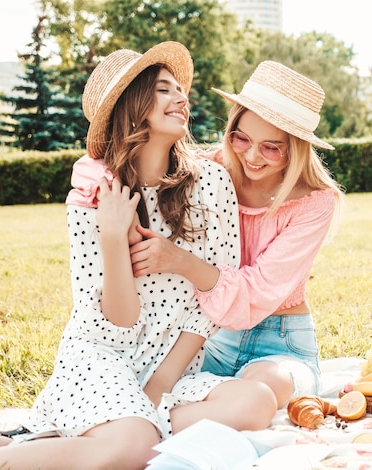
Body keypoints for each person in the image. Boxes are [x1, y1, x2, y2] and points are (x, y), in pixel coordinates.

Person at [0, 42, 277, 470]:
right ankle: (17, 458)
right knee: (134, 445)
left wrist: (162, 383)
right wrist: (112, 236)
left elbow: (215, 295)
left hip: (173, 365)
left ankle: (99, 433)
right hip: (101, 360)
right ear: (132, 106)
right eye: (164, 89)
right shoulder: (92, 196)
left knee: (256, 402)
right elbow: (114, 323)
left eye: (181, 90)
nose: (182, 98)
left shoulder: (213, 182)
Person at [67, 60, 344, 409]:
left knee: (266, 387)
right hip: (212, 340)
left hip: (281, 339)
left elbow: (256, 293)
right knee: (153, 386)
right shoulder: (213, 171)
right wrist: (96, 177)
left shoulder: (314, 203)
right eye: (241, 138)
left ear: (297, 148)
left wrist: (181, 261)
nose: (252, 157)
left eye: (271, 147)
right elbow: (136, 155)